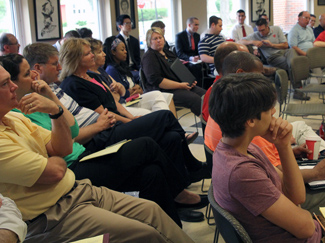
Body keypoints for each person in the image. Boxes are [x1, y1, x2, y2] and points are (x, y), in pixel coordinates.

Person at [1, 53, 209, 226]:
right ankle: (181, 189)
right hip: (77, 162)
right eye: (28, 74)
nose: (35, 77)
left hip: (83, 151)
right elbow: (64, 150)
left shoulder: (39, 99)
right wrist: (94, 126)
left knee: (153, 169)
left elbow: (71, 127)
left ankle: (171, 224)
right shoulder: (23, 112)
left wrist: (51, 99)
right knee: (148, 142)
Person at [59, 38, 210, 184]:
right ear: (75, 59)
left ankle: (183, 179)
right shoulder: (73, 84)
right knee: (165, 116)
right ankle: (193, 167)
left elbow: (113, 102)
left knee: (171, 137)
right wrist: (129, 121)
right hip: (108, 130)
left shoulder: (92, 76)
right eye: (87, 54)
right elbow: (103, 112)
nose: (92, 55)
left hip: (118, 120)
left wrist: (131, 117)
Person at [205, 50, 325, 215]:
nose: (274, 113)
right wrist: (316, 173)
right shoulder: (246, 156)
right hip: (284, 210)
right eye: (269, 110)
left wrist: (285, 149)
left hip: (274, 196)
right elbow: (304, 219)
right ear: (251, 119)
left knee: (300, 127)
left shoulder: (226, 109)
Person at [103, 37, 176, 117]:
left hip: (135, 98)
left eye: (125, 49)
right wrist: (130, 91)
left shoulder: (123, 66)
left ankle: (173, 125)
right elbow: (120, 94)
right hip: (127, 102)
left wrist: (138, 88)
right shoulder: (111, 70)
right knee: (157, 98)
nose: (125, 52)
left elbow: (133, 85)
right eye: (122, 50)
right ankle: (167, 124)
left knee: (167, 96)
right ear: (113, 52)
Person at [141, 27, 206, 116]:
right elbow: (157, 81)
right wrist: (180, 85)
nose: (159, 40)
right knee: (196, 100)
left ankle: (213, 121)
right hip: (164, 91)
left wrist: (190, 81)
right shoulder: (149, 57)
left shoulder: (168, 52)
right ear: (149, 42)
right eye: (155, 39)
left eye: (160, 37)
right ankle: (206, 124)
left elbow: (180, 69)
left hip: (180, 86)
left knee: (205, 95)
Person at [240, 18, 304, 99]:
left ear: (267, 26)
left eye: (262, 30)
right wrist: (253, 42)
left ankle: (297, 89)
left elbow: (285, 45)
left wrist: (272, 45)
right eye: (259, 30)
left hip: (284, 52)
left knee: (292, 53)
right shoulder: (256, 35)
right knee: (292, 64)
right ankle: (298, 89)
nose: (261, 33)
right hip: (272, 57)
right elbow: (241, 41)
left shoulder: (276, 29)